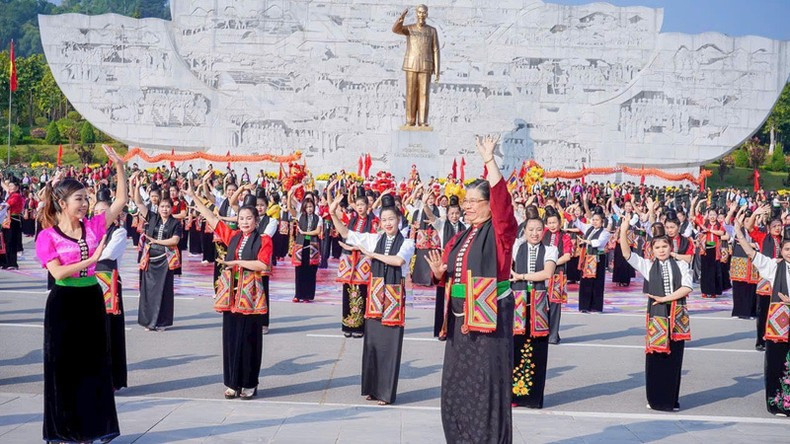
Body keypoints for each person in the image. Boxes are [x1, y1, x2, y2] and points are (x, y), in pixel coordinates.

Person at [425, 135, 518, 443]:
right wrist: (440, 273)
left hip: (489, 324)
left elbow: (503, 202)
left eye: (473, 202)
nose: (466, 207)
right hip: (459, 323)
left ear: (489, 205)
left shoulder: (500, 232)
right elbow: (448, 272)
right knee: (457, 384)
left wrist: (489, 160)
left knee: (484, 385)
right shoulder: (461, 236)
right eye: (464, 202)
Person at [35, 145, 126, 443]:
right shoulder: (47, 235)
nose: (85, 204)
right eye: (79, 199)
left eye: (86, 199)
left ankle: (95, 429)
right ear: (62, 203)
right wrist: (93, 258)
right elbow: (58, 273)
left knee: (94, 365)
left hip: (90, 299)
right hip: (64, 303)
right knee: (64, 368)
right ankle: (64, 431)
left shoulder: (93, 226)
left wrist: (120, 167)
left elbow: (121, 201)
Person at [329, 192, 415, 405]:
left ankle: (386, 393)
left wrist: (371, 254)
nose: (387, 223)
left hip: (393, 299)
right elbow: (347, 234)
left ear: (399, 221)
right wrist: (333, 214)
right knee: (373, 344)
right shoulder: (375, 238)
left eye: (391, 219)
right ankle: (373, 389)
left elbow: (397, 261)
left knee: (390, 345)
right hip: (376, 297)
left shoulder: (408, 243)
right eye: (384, 220)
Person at [189, 185, 272, 399]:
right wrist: (194, 197)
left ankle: (249, 383)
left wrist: (237, 262)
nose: (244, 222)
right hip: (231, 297)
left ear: (256, 220)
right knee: (231, 339)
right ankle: (232, 383)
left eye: (248, 218)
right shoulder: (233, 236)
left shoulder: (264, 240)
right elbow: (212, 218)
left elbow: (263, 265)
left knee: (249, 340)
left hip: (251, 298)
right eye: (241, 218)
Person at [620, 219, 692, 412]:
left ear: (670, 247)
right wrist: (623, 230)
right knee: (656, 357)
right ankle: (655, 398)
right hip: (657, 317)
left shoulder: (682, 266)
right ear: (652, 249)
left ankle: (671, 399)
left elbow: (686, 287)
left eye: (664, 246)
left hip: (676, 315)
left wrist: (665, 298)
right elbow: (627, 254)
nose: (661, 250)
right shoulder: (648, 266)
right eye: (657, 247)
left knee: (674, 358)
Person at [733, 216, 790, 416]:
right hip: (779, 324)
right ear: (781, 251)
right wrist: (739, 233)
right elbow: (751, 252)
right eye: (787, 249)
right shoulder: (774, 266)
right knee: (776, 361)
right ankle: (776, 402)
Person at [510, 205, 557, 408]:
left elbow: (547, 274)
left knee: (537, 350)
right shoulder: (517, 247)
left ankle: (533, 397)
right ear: (525, 231)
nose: (535, 233)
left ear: (544, 229)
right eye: (531, 230)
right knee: (517, 348)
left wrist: (520, 276)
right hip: (518, 304)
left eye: (538, 229)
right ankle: (515, 396)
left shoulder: (550, 250)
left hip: (538, 306)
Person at [134, 175, 182, 331]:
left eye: (167, 207)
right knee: (148, 291)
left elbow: (174, 241)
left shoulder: (175, 223)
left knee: (164, 291)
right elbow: (139, 203)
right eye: (162, 206)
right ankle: (148, 322)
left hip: (165, 260)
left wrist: (155, 241)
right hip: (151, 259)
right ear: (158, 207)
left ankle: (162, 322)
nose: (165, 209)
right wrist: (136, 185)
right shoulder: (152, 217)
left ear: (171, 208)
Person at [93, 188, 129, 391]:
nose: (100, 214)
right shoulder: (88, 232)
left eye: (104, 211)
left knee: (109, 330)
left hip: (109, 286)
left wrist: (87, 255)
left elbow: (107, 254)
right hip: (90, 283)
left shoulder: (119, 232)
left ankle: (112, 378)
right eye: (97, 211)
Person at [335, 190, 379, 338]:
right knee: (348, 291)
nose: (360, 207)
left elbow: (372, 242)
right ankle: (347, 325)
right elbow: (341, 228)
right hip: (349, 260)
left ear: (368, 206)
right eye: (358, 204)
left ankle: (359, 327)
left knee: (361, 291)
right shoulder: (351, 219)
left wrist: (354, 247)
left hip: (363, 260)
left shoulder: (373, 222)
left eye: (363, 204)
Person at [425, 195, 465, 337]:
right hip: (444, 262)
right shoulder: (442, 225)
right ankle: (441, 329)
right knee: (442, 296)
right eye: (451, 213)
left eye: (456, 213)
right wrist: (425, 204)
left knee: (456, 296)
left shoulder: (464, 227)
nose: (454, 216)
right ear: (447, 214)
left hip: (459, 264)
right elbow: (431, 216)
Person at [571, 207, 611, 313]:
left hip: (597, 258)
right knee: (585, 281)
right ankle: (584, 306)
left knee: (597, 282)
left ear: (602, 221)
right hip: (588, 257)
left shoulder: (605, 233)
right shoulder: (589, 228)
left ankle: (596, 306)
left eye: (597, 220)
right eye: (593, 219)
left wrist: (586, 241)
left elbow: (599, 243)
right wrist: (574, 218)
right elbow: (580, 225)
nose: (594, 222)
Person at [543, 206, 572, 344]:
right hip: (542, 274)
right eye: (550, 223)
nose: (552, 225)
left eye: (555, 222)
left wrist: (552, 264)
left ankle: (553, 335)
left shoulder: (565, 236)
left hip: (557, 275)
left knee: (555, 305)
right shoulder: (542, 233)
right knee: (542, 304)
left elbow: (567, 256)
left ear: (560, 222)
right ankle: (544, 331)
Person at [287, 187, 322, 302]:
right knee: (299, 271)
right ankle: (298, 295)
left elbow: (317, 232)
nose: (309, 209)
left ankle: (308, 295)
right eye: (307, 207)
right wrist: (289, 196)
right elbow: (289, 208)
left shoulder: (318, 218)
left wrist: (304, 232)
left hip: (313, 246)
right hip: (301, 245)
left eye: (311, 206)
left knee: (310, 271)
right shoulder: (300, 216)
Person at [1, 176, 24, 269]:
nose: (10, 188)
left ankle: (12, 263)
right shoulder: (11, 194)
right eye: (9, 186)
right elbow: (5, 188)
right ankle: (6, 262)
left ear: (17, 188)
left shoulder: (16, 196)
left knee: (11, 242)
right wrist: (1, 180)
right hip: (8, 221)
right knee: (6, 241)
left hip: (14, 221)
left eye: (12, 186)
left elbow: (6, 205)